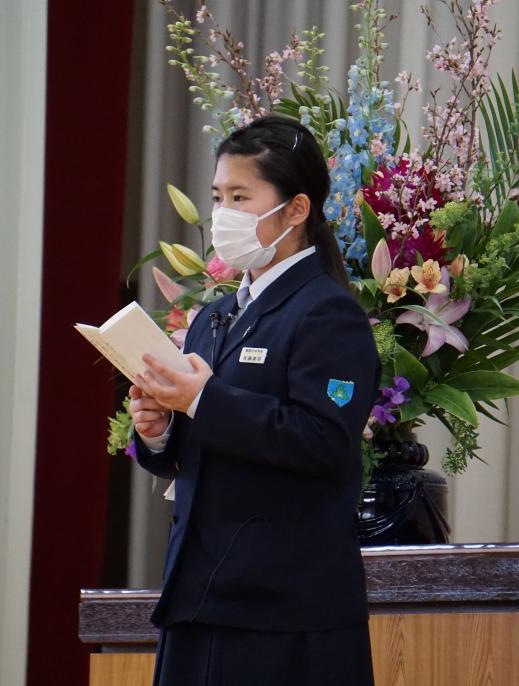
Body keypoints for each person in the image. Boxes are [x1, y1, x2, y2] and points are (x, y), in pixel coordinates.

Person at [130, 115, 380, 686]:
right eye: (218, 197)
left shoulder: (327, 313)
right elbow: (200, 449)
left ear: (296, 209)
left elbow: (323, 441)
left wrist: (204, 400)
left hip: (281, 611)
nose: (224, 213)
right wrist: (160, 431)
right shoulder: (214, 317)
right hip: (199, 592)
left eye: (241, 197)